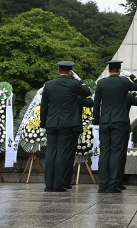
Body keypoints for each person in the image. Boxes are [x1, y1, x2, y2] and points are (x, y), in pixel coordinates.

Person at [40, 61, 91, 192]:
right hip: (67, 123)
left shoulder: (49, 85)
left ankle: (49, 185)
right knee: (62, 153)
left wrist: (42, 124)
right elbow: (87, 92)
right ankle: (58, 185)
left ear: (59, 71)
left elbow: (44, 106)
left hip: (51, 123)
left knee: (51, 153)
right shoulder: (75, 84)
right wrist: (80, 80)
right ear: (70, 72)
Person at [92, 60, 137, 193]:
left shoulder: (101, 83)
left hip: (105, 120)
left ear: (108, 70)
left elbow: (96, 103)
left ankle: (103, 184)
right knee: (116, 153)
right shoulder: (124, 82)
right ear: (119, 70)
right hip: (119, 121)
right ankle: (113, 184)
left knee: (105, 152)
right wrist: (131, 76)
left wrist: (96, 121)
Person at [64, 94, 94, 189]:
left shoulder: (56, 91)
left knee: (56, 154)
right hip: (72, 127)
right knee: (69, 155)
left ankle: (54, 181)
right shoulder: (77, 96)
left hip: (56, 125)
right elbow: (91, 102)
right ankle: (65, 181)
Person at [116, 91, 137, 190]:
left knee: (106, 154)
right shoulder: (128, 96)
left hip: (106, 124)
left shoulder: (104, 90)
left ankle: (105, 182)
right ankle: (117, 181)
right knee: (120, 154)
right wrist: (134, 94)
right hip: (122, 125)